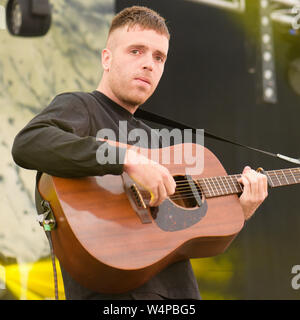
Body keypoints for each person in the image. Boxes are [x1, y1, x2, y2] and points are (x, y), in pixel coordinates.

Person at [11, 6, 268, 300]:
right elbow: (30, 142)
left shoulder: (159, 142)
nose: (149, 64)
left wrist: (240, 211)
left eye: (159, 57)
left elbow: (186, 234)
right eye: (136, 51)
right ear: (107, 58)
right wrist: (126, 159)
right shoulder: (82, 107)